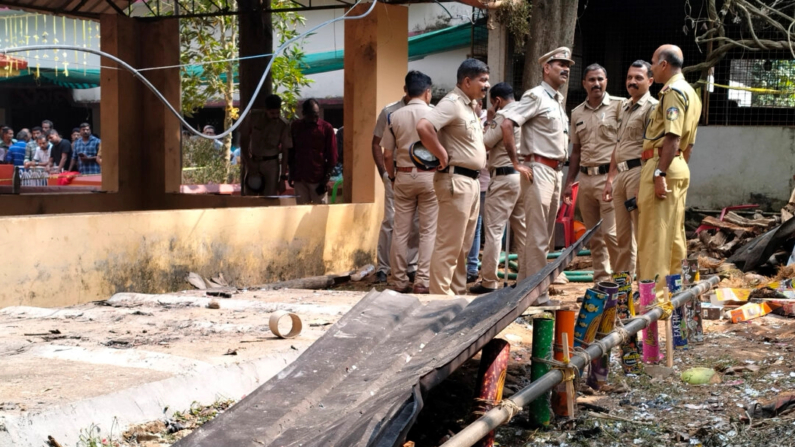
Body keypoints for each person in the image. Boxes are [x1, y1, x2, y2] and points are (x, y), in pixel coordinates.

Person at [501, 47, 573, 304]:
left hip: (554, 171)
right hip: (538, 169)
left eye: (567, 64)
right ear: (546, 68)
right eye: (559, 64)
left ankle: (523, 289)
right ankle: (536, 295)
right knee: (538, 235)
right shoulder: (536, 96)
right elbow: (507, 122)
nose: (565, 68)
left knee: (543, 235)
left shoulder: (556, 100)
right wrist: (515, 162)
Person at [417, 58, 490, 296]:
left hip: (471, 181)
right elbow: (424, 127)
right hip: (454, 181)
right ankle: (440, 297)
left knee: (463, 246)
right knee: (450, 244)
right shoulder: (452, 103)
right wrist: (441, 154)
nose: (487, 85)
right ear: (467, 81)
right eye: (483, 80)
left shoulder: (469, 106)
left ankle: (456, 294)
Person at [638, 44, 701, 296]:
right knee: (674, 237)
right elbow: (689, 144)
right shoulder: (691, 93)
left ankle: (653, 300)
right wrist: (676, 166)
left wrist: (660, 173)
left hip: (661, 163)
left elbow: (673, 136)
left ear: (664, 64)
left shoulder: (672, 92)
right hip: (677, 164)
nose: (652, 68)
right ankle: (675, 297)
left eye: (653, 63)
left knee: (654, 239)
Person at [563, 64, 622, 282]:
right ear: (584, 83)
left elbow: (622, 144)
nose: (596, 84)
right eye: (591, 80)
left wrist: (611, 179)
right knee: (594, 236)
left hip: (610, 178)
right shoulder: (577, 112)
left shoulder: (619, 107)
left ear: (606, 81)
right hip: (586, 180)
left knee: (612, 234)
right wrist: (570, 182)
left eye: (600, 79)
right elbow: (576, 151)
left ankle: (622, 282)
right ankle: (601, 282)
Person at [380, 70, 438, 294]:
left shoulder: (393, 116)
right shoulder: (434, 115)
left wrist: (392, 177)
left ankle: (399, 280)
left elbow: (387, 155)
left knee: (400, 230)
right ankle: (422, 281)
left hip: (403, 174)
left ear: (406, 90)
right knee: (428, 230)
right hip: (429, 176)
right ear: (427, 92)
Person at [470, 82, 527, 294]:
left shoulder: (503, 116)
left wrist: (491, 118)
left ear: (497, 100)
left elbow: (484, 143)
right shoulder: (526, 111)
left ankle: (489, 281)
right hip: (523, 178)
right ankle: (525, 278)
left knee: (494, 231)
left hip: (503, 177)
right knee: (522, 230)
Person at [603, 61, 658, 278]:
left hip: (638, 173)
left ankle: (645, 286)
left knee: (642, 234)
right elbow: (618, 145)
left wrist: (645, 183)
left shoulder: (652, 108)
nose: (632, 82)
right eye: (629, 77)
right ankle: (622, 287)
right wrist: (610, 179)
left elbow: (652, 148)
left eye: (638, 77)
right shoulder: (624, 107)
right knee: (622, 236)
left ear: (650, 81)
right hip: (621, 175)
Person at [372, 85, 419, 284]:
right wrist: (384, 172)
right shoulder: (389, 111)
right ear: (406, 90)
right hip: (396, 172)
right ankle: (383, 267)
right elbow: (376, 143)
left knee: (415, 223)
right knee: (391, 220)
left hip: (419, 173)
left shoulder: (428, 111)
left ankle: (411, 266)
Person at [241, 94, 292, 196]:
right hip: (253, 161)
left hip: (271, 164)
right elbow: (244, 139)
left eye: (277, 112)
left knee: (270, 197)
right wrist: (248, 162)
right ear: (265, 110)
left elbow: (286, 150)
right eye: (272, 113)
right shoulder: (253, 117)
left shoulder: (283, 124)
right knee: (250, 197)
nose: (275, 116)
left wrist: (282, 177)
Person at [289, 98, 337, 204]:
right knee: (300, 211)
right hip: (300, 177)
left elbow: (332, 156)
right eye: (312, 115)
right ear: (303, 114)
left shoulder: (326, 128)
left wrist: (325, 181)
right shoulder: (296, 126)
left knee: (320, 213)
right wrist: (291, 174)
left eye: (316, 114)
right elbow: (291, 152)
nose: (315, 118)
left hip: (318, 178)